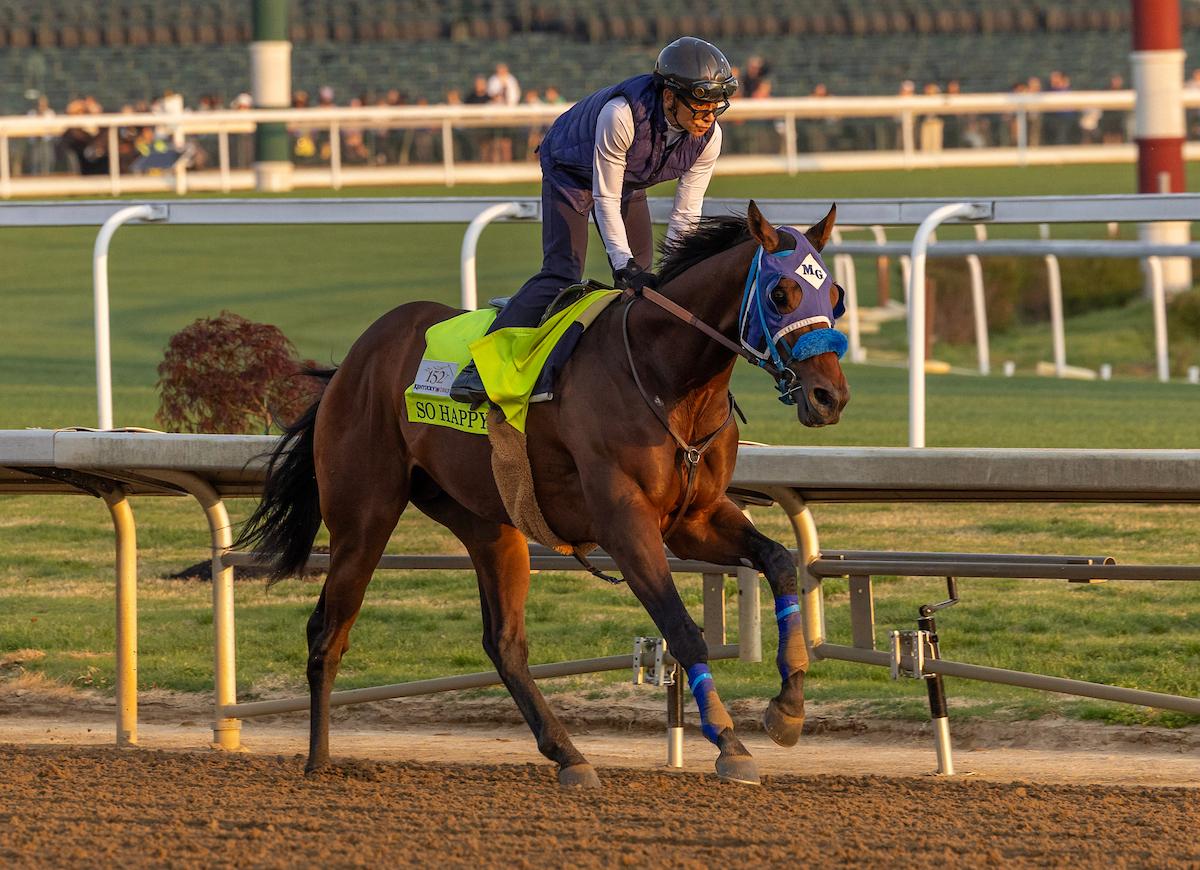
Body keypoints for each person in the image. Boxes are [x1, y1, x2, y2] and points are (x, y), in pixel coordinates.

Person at [450, 36, 737, 404]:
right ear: (669, 96)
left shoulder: (710, 138)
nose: (708, 118)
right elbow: (605, 198)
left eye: (715, 107)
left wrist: (680, 266)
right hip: (571, 168)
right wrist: (622, 264)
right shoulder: (620, 114)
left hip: (628, 178)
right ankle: (480, 366)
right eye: (699, 106)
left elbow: (686, 212)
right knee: (562, 271)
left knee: (646, 276)